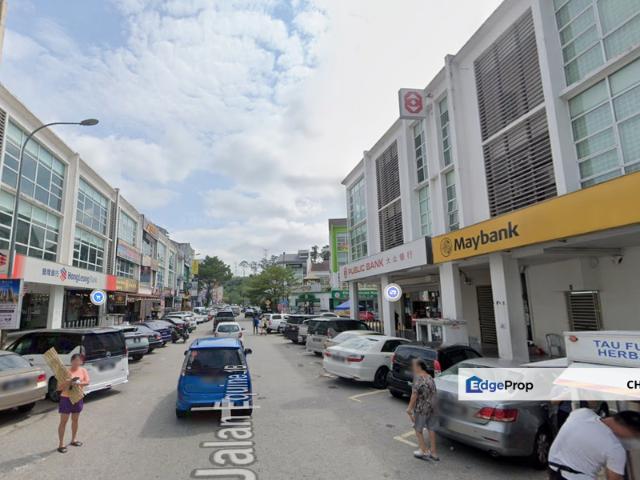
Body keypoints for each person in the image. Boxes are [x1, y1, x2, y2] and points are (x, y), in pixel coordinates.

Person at [548, 408, 640, 479]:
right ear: (627, 429)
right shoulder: (615, 448)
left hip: (553, 467)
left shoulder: (582, 413)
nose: (633, 440)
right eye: (635, 436)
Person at [406, 358, 439, 461]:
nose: (413, 368)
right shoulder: (430, 377)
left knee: (418, 428)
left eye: (414, 366)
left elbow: (414, 395)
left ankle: (423, 450)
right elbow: (434, 393)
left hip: (421, 408)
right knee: (431, 429)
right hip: (432, 408)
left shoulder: (417, 378)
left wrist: (409, 408)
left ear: (419, 367)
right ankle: (433, 452)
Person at [57, 353, 90, 453]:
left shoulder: (83, 370)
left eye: (79, 361)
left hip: (77, 397)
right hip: (66, 398)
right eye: (75, 360)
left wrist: (79, 383)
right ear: (71, 361)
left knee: (75, 420)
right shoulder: (65, 372)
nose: (77, 362)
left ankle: (74, 439)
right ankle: (61, 444)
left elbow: (87, 381)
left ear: (81, 362)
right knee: (63, 421)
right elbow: (59, 388)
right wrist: (68, 382)